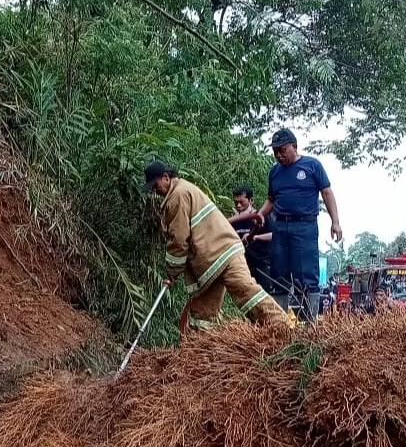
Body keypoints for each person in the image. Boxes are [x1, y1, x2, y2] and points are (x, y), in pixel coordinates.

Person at [145, 161, 288, 330]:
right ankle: (201, 351)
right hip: (210, 263)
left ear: (166, 178)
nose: (155, 190)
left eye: (155, 185)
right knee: (202, 313)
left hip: (224, 255)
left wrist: (172, 270)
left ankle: (283, 330)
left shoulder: (177, 195)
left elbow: (178, 239)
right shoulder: (182, 190)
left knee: (246, 292)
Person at [254, 128, 342, 321]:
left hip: (305, 227)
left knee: (306, 275)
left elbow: (327, 193)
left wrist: (335, 222)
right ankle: (279, 324)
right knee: (278, 274)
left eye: (282, 150)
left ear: (294, 146)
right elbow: (271, 199)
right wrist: (260, 213)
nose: (278, 155)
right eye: (275, 151)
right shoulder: (274, 172)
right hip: (280, 227)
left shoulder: (312, 165)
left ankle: (310, 324)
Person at [226, 186, 275, 294]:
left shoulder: (262, 217)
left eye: (241, 202)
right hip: (245, 268)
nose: (238, 206)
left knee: (264, 297)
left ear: (251, 200)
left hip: (263, 266)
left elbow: (275, 235)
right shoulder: (234, 221)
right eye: (236, 202)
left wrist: (255, 237)